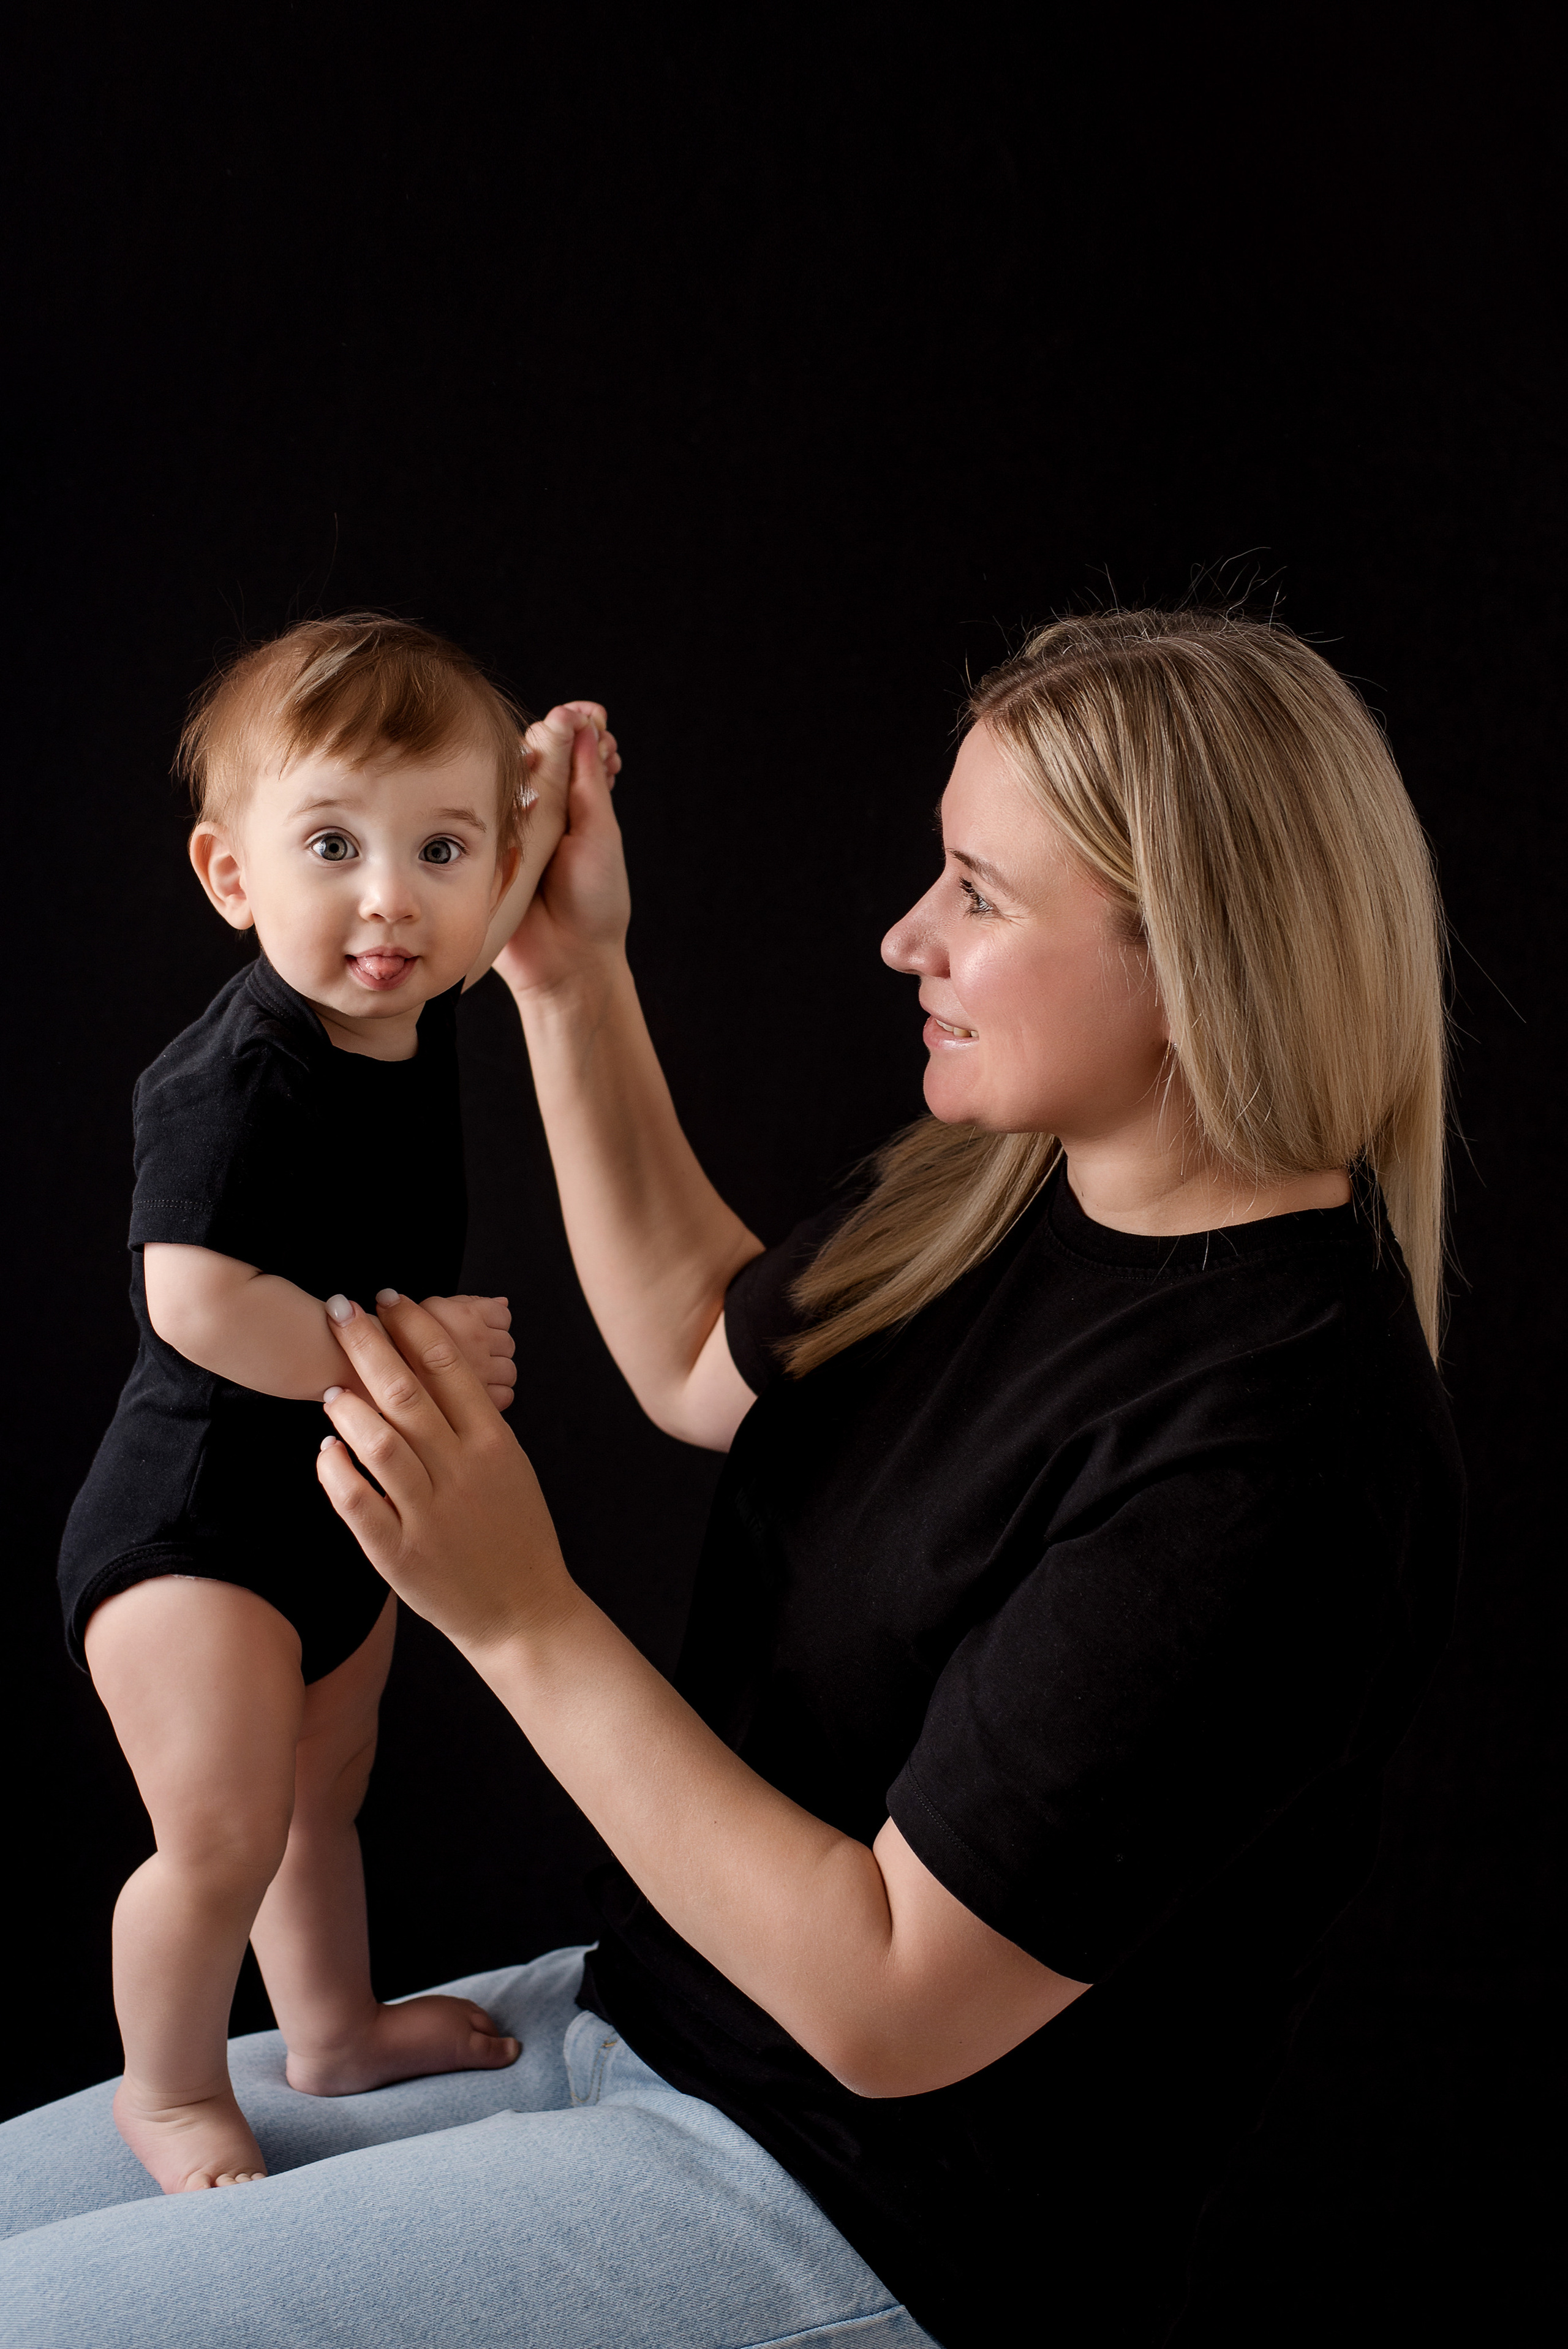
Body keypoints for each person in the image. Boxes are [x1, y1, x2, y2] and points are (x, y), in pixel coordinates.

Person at [3, 608, 1463, 2348]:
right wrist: (568, 970)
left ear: (1196, 953)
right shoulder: (1020, 1181)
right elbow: (709, 1351)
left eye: (978, 895)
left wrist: (521, 1614)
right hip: (651, 2024)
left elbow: (890, 2004)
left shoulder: (1283, 1444)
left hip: (859, 2201)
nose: (906, 933)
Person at [51, 616, 615, 2196]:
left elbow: (493, 892)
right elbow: (197, 1304)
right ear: (232, 878)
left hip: (322, 1505)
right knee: (222, 1832)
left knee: (325, 1792)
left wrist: (548, 789)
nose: (392, 898)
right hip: (191, 1523)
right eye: (332, 846)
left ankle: (332, 2034)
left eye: (438, 849)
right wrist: (398, 1357)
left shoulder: (406, 994)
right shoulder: (227, 1078)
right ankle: (164, 2094)